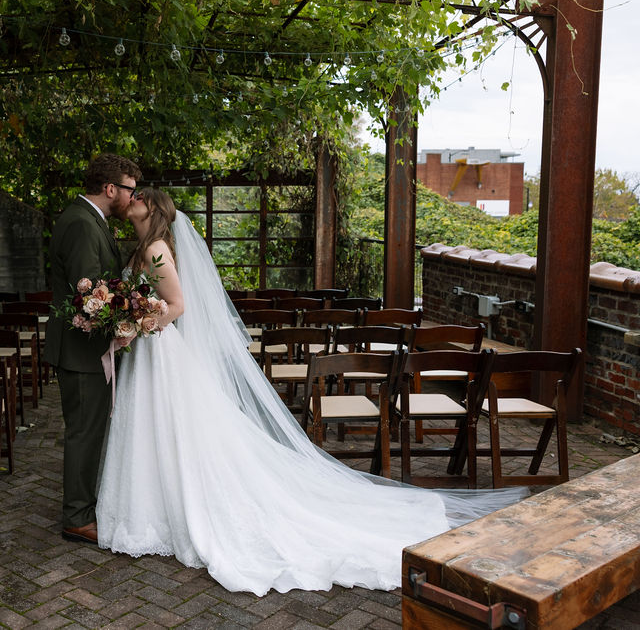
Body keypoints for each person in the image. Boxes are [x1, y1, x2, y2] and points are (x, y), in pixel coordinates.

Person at [96, 188, 525, 595]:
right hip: (152, 354)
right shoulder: (140, 250)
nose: (133, 200)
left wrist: (139, 325)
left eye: (140, 198)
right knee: (157, 428)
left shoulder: (155, 250)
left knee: (171, 427)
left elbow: (178, 305)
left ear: (153, 210)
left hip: (160, 350)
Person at [44, 153, 141, 545]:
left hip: (86, 348)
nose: (133, 199)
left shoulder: (89, 221)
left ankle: (83, 507)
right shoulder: (83, 224)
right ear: (110, 188)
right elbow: (91, 293)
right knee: (84, 432)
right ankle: (77, 518)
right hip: (80, 349)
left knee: (90, 428)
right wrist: (134, 314)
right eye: (130, 190)